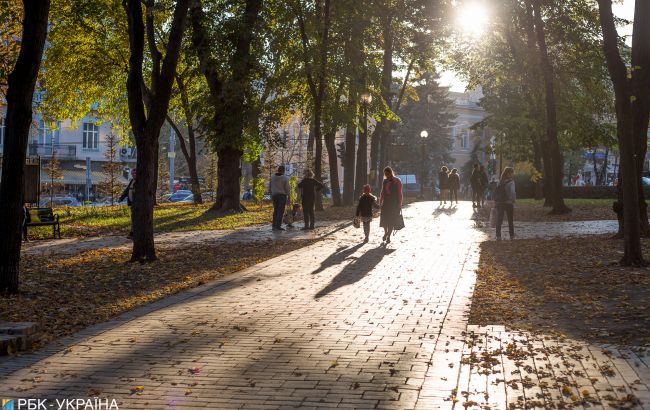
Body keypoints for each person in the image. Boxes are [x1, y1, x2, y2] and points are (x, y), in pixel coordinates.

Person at [379, 166, 403, 244]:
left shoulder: (397, 181)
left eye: (387, 173)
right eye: (385, 174)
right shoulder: (385, 181)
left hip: (394, 204)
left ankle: (388, 236)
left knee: (391, 221)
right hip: (386, 203)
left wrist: (400, 204)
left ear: (390, 172)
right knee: (384, 220)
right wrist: (380, 201)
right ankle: (386, 233)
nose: (386, 175)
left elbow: (400, 193)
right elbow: (382, 192)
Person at [494, 166, 516, 241]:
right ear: (508, 173)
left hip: (500, 203)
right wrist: (513, 200)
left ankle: (498, 236)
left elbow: (496, 192)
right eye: (512, 173)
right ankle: (512, 235)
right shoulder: (511, 182)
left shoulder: (500, 182)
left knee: (499, 220)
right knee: (510, 220)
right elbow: (512, 193)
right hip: (509, 203)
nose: (513, 174)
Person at [270, 165, 291, 231]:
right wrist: (289, 196)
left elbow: (269, 187)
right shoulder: (285, 178)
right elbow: (287, 188)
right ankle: (278, 226)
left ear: (278, 170)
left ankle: (273, 225)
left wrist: (271, 195)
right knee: (280, 211)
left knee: (275, 210)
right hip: (282, 196)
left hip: (274, 195)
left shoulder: (272, 177)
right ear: (283, 170)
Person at [118, 168, 136, 239]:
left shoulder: (140, 181)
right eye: (133, 173)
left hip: (137, 204)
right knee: (133, 218)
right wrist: (121, 198)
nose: (134, 174)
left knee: (135, 219)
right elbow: (127, 190)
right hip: (132, 204)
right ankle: (132, 233)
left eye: (135, 173)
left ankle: (133, 233)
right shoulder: (132, 181)